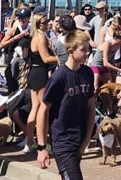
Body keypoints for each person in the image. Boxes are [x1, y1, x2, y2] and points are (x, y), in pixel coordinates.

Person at [36, 31, 95, 180]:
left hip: (80, 137)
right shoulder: (59, 77)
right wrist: (42, 147)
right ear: (70, 51)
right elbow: (43, 110)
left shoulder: (87, 73)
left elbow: (91, 107)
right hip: (63, 140)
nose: (86, 53)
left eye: (88, 49)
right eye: (83, 50)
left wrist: (86, 139)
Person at [23, 14, 58, 154]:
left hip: (34, 73)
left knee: (35, 108)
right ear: (38, 23)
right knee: (44, 109)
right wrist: (61, 58)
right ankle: (42, 144)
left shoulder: (34, 36)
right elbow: (46, 58)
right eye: (44, 22)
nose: (47, 24)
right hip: (40, 74)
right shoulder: (41, 37)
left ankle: (30, 141)